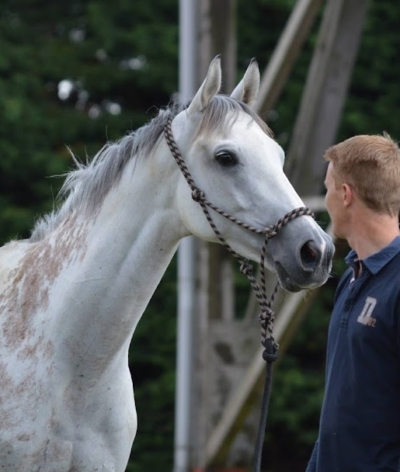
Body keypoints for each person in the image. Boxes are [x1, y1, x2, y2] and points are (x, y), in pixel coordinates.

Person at [306, 133, 400, 472]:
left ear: (345, 195)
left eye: (328, 187)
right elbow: (339, 410)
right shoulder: (350, 278)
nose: (327, 197)